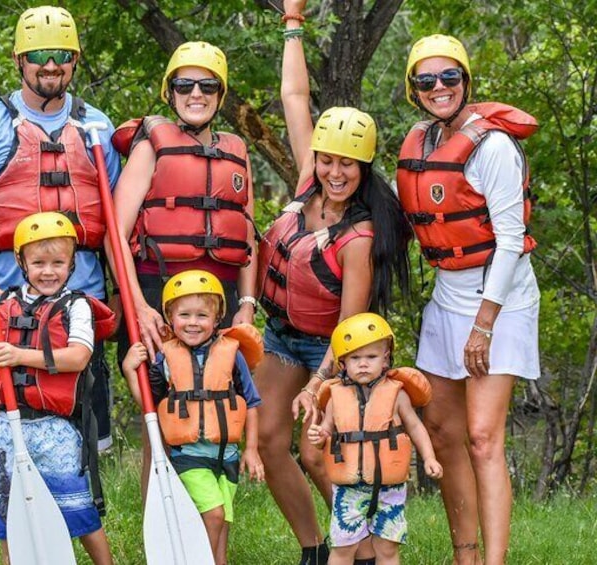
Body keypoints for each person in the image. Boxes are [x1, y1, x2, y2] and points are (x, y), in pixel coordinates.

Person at [0, 6, 121, 564]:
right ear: (20, 60)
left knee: (77, 441)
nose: (52, 66)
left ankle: (64, 543)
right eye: (40, 56)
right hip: (6, 307)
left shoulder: (97, 126)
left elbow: (116, 220)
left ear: (74, 62)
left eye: (62, 56)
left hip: (77, 306)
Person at [256, 2, 412, 564]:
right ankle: (316, 548)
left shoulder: (361, 237)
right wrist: (293, 24)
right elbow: (295, 99)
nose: (337, 172)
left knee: (317, 451)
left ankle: (364, 548)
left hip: (332, 349)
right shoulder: (305, 184)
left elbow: (349, 330)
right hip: (281, 336)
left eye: (350, 164)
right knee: (268, 441)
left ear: (365, 168)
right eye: (328, 160)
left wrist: (316, 388)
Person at [397, 34, 540, 565]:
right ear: (414, 89)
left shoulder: (493, 146)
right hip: (449, 294)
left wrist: (484, 325)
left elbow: (509, 240)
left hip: (499, 300)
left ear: (466, 81)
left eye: (449, 77)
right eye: (426, 80)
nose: (439, 88)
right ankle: (466, 553)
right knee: (443, 429)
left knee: (482, 437)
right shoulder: (421, 141)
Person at [110, 40, 258, 492]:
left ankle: (212, 518)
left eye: (208, 85)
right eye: (185, 84)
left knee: (214, 407)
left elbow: (248, 235)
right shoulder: (151, 147)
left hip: (221, 298)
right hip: (158, 291)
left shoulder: (236, 149)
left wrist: (247, 305)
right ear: (170, 92)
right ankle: (163, 525)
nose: (197, 93)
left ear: (221, 93)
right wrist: (138, 307)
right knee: (160, 413)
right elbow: (115, 234)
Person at [0, 212, 114, 564]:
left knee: (77, 507)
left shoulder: (76, 306)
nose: (49, 271)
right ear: (21, 262)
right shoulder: (1, 304)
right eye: (39, 262)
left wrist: (19, 355)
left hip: (55, 430)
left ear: (72, 263)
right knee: (10, 515)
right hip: (7, 428)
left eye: (58, 263)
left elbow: (77, 357)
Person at [121, 270, 264, 564]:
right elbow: (150, 406)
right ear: (170, 317)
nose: (193, 323)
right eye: (184, 315)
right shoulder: (165, 358)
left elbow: (250, 402)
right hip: (189, 456)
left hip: (228, 456)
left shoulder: (232, 354)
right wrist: (128, 370)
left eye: (202, 315)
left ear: (218, 318)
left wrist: (251, 450)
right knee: (213, 515)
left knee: (223, 523)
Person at [307, 313, 443, 565]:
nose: (363, 364)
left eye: (371, 357)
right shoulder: (336, 397)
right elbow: (325, 433)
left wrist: (429, 458)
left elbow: (415, 427)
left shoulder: (397, 395)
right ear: (342, 362)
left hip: (389, 489)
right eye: (355, 358)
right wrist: (318, 436)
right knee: (343, 549)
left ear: (386, 359)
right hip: (349, 490)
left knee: (387, 549)